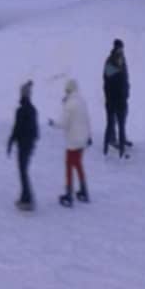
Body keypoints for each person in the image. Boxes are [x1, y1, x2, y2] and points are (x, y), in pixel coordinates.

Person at [49, 78, 92, 206]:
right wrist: (89, 136)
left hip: (73, 141)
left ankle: (68, 195)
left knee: (69, 165)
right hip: (83, 140)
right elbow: (87, 120)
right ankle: (84, 190)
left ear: (68, 90)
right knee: (77, 164)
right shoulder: (82, 101)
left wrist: (53, 123)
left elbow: (63, 123)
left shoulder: (69, 104)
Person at [6, 80, 40, 210]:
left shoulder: (21, 110)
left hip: (23, 146)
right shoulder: (33, 110)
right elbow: (36, 132)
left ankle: (27, 198)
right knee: (24, 171)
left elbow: (17, 129)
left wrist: (11, 142)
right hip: (28, 145)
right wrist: (32, 142)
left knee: (23, 172)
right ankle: (25, 196)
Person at [102, 39, 130, 157]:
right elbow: (109, 82)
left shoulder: (122, 59)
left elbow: (124, 78)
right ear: (115, 47)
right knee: (111, 123)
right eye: (119, 48)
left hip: (121, 98)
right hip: (114, 99)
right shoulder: (110, 61)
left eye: (122, 48)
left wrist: (127, 90)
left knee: (121, 122)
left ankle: (119, 141)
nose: (121, 50)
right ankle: (109, 145)